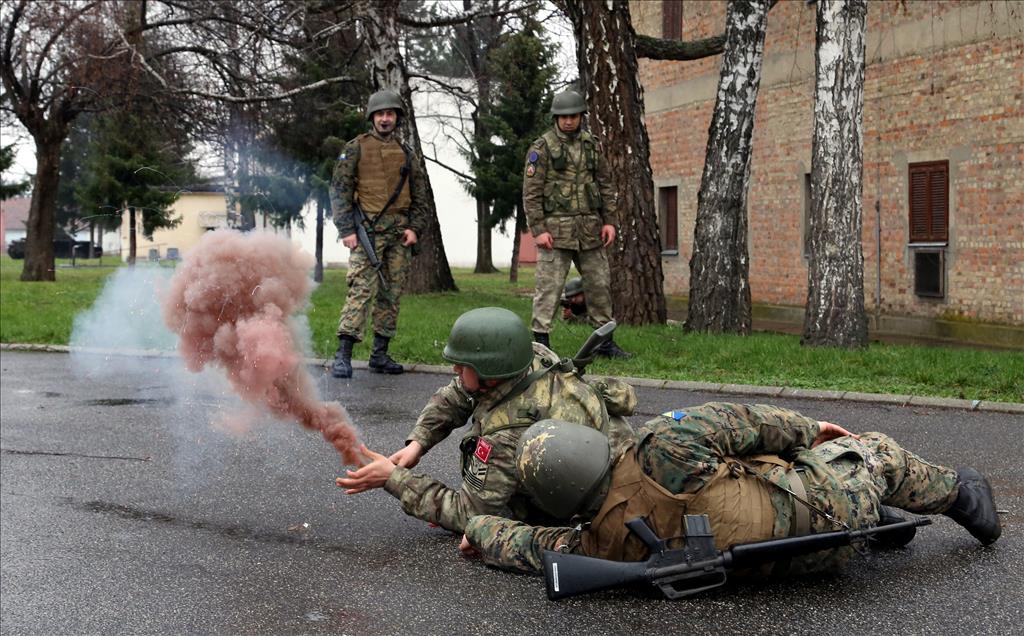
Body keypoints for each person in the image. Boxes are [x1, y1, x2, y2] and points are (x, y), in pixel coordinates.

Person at [461, 403, 1002, 575]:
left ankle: (879, 524)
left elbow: (524, 545)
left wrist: (479, 527)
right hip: (838, 510)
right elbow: (748, 420)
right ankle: (963, 495)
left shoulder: (597, 545)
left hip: (800, 566)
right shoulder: (664, 443)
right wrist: (811, 430)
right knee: (877, 451)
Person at [335, 307, 637, 532]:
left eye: (462, 365)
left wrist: (393, 479)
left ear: (490, 374)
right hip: (609, 449)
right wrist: (419, 442)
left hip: (611, 504)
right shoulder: (528, 357)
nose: (455, 371)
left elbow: (470, 513)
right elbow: (456, 395)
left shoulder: (507, 433)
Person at [329, 89, 429, 379]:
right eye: (380, 114)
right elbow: (339, 190)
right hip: (366, 234)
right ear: (372, 117)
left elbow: (421, 198)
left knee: (392, 293)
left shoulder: (408, 154)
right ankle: (343, 354)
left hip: (398, 236)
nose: (385, 119)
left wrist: (414, 228)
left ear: (397, 117)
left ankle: (380, 355)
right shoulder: (355, 148)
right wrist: (346, 229)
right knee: (360, 290)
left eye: (390, 114)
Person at [523, 89, 631, 359]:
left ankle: (604, 343)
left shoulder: (591, 145)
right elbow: (531, 192)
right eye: (563, 117)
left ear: (581, 116)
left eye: (573, 116)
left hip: (590, 231)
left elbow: (605, 184)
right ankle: (541, 346)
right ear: (556, 118)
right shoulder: (542, 148)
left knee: (599, 285)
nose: (568, 121)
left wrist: (610, 222)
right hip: (555, 234)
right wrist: (538, 229)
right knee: (548, 289)